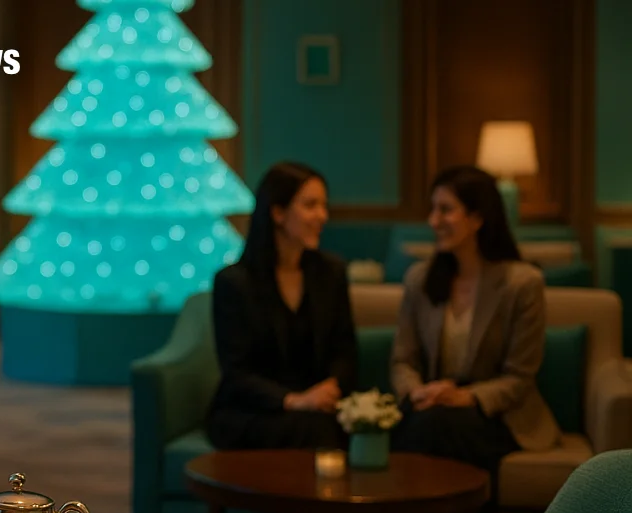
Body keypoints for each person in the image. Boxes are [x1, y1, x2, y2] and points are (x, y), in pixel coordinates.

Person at [390, 165, 560, 472]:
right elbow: (403, 361)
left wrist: (464, 397)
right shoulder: (420, 279)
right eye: (433, 210)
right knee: (426, 424)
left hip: (495, 414)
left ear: (478, 218)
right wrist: (418, 392)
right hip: (431, 406)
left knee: (438, 427)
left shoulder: (522, 283)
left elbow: (519, 378)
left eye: (445, 210)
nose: (433, 221)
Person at [206, 162, 357, 450]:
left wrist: (330, 389)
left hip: (317, 405)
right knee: (313, 430)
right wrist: (293, 401)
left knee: (330, 424)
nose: (322, 216)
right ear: (277, 213)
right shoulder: (235, 283)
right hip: (253, 410)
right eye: (310, 205)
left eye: (324, 205)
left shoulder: (331, 273)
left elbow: (345, 350)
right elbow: (237, 372)